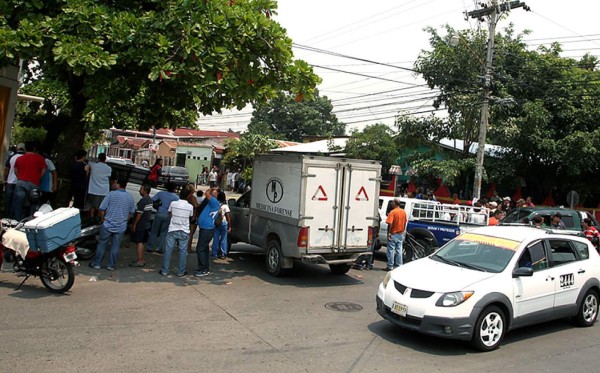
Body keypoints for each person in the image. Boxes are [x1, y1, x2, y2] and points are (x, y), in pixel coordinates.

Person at [89, 175, 136, 270]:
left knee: (102, 244)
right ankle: (111, 265)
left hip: (108, 224)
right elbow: (131, 213)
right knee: (115, 246)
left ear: (118, 184)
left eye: (115, 182)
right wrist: (125, 220)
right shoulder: (130, 197)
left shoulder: (111, 194)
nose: (114, 184)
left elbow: (102, 209)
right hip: (121, 226)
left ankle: (96, 263)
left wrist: (103, 219)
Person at [159, 187, 194, 277]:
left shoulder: (173, 203)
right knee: (183, 251)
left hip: (173, 229)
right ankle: (181, 271)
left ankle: (165, 270)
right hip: (184, 230)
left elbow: (170, 214)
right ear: (188, 196)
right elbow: (190, 217)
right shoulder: (190, 207)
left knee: (168, 250)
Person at [12, 141, 46, 220]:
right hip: (34, 183)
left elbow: (15, 171)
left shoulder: (19, 158)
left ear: (25, 148)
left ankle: (17, 220)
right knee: (33, 204)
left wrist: (20, 177)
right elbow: (43, 171)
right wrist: (38, 177)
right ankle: (31, 221)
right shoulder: (40, 159)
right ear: (34, 149)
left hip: (21, 182)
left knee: (18, 204)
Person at [147, 182, 179, 253]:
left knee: (154, 231)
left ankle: (150, 246)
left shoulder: (161, 193)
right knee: (164, 232)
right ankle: (160, 248)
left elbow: (153, 200)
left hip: (159, 213)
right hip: (168, 215)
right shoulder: (175, 197)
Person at [194, 188, 220, 277]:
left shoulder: (214, 202)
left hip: (207, 229)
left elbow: (207, 193)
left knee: (200, 248)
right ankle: (204, 268)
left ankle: (203, 269)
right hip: (205, 228)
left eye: (214, 194)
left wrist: (213, 188)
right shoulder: (212, 203)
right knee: (204, 249)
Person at [130, 184, 153, 267]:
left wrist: (134, 224)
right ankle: (141, 259)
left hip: (141, 225)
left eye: (141, 189)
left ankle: (139, 260)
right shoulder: (149, 200)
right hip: (146, 224)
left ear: (145, 191)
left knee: (139, 242)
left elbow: (139, 214)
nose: (139, 191)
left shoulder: (143, 201)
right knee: (142, 242)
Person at [85, 153, 114, 218]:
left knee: (93, 206)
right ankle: (99, 219)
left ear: (98, 158)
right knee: (101, 207)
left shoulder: (93, 166)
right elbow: (109, 178)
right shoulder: (109, 168)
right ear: (105, 159)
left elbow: (87, 161)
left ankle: (91, 217)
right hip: (104, 191)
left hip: (93, 190)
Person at [384, 198, 407, 271]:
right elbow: (405, 222)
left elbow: (390, 223)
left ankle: (390, 266)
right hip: (400, 234)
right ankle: (399, 265)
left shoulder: (393, 212)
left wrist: (389, 233)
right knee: (399, 250)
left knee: (390, 250)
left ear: (395, 203)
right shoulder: (403, 212)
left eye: (392, 202)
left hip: (393, 233)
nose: (391, 204)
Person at [3, 143, 25, 219]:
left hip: (10, 181)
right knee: (16, 202)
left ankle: (5, 217)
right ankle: (13, 218)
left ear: (17, 149)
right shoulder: (25, 158)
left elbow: (6, 170)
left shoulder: (11, 157)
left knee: (7, 201)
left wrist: (5, 179)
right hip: (20, 183)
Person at [212, 190, 231, 259]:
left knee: (216, 238)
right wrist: (229, 226)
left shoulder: (216, 204)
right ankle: (223, 253)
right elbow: (228, 217)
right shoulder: (225, 206)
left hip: (216, 223)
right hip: (223, 223)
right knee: (223, 239)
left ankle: (214, 253)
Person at [185, 184, 200, 253]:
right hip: (193, 216)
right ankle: (188, 248)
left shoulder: (187, 197)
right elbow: (196, 206)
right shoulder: (192, 197)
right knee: (191, 233)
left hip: (188, 215)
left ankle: (186, 247)